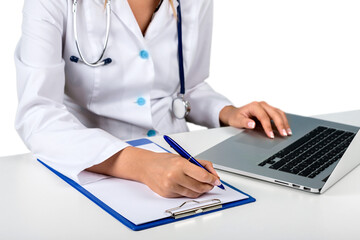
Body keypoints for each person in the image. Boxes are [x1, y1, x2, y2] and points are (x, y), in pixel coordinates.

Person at [15, 0, 291, 198]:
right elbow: (38, 113)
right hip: (89, 167)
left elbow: (188, 86)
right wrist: (138, 164)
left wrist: (227, 112)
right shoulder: (49, 3)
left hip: (177, 156)